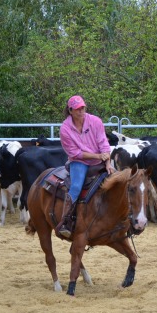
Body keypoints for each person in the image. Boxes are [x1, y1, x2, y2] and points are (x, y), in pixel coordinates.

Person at [58, 95, 114, 238]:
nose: (81, 111)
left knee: (118, 181)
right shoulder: (65, 129)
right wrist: (97, 156)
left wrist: (108, 162)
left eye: (83, 107)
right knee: (76, 186)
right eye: (77, 109)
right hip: (79, 162)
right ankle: (66, 220)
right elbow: (74, 153)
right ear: (70, 110)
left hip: (101, 158)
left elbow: (103, 142)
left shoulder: (95, 121)